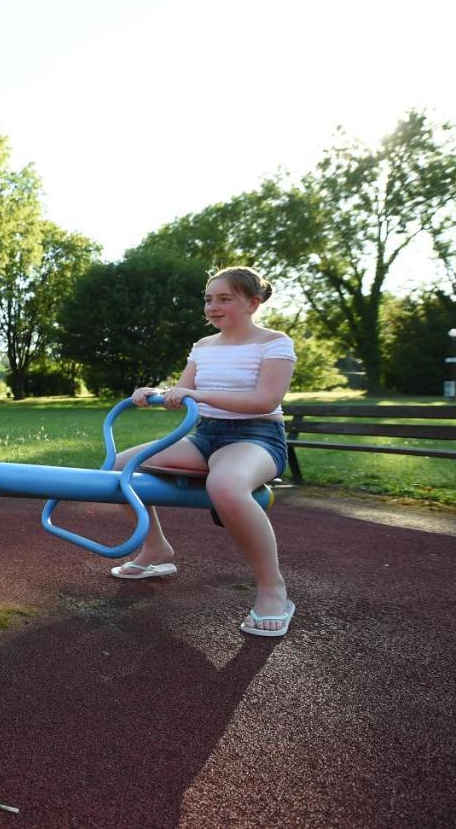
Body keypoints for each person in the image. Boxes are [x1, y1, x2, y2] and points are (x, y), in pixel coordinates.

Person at [111, 266, 297, 637]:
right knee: (119, 467)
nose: (213, 306)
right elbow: (183, 393)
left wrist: (198, 395)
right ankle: (155, 550)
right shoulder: (203, 346)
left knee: (226, 487)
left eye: (224, 299)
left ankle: (273, 589)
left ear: (252, 303)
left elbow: (265, 399)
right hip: (205, 435)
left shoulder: (274, 342)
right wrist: (155, 394)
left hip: (256, 437)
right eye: (209, 299)